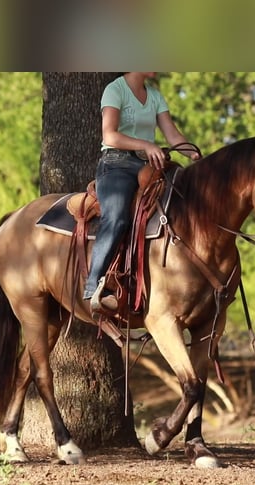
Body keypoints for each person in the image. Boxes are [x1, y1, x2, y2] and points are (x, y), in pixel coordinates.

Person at [84, 72, 200, 314]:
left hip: (149, 167)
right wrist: (146, 145)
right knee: (117, 217)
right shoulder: (115, 90)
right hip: (116, 164)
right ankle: (93, 284)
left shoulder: (155, 96)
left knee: (182, 205)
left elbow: (173, 135)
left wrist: (195, 156)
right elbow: (110, 135)